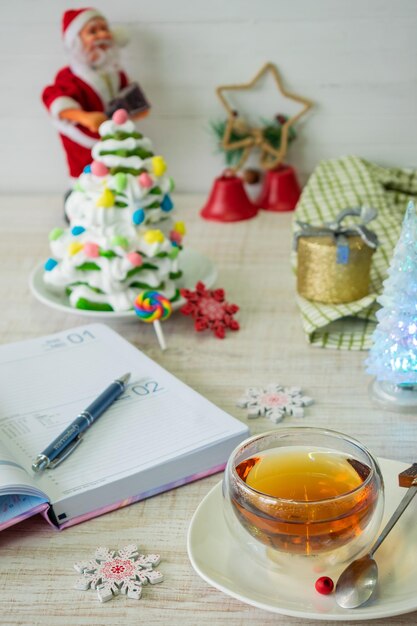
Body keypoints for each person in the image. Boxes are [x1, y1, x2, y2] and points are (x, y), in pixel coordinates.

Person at [42, 8, 140, 183]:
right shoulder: (70, 76)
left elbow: (129, 96)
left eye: (104, 29)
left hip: (112, 134)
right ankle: (80, 199)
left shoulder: (116, 73)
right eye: (93, 31)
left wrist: (137, 109)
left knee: (116, 167)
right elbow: (53, 98)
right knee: (85, 171)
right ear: (77, 41)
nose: (101, 35)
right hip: (83, 138)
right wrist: (83, 117)